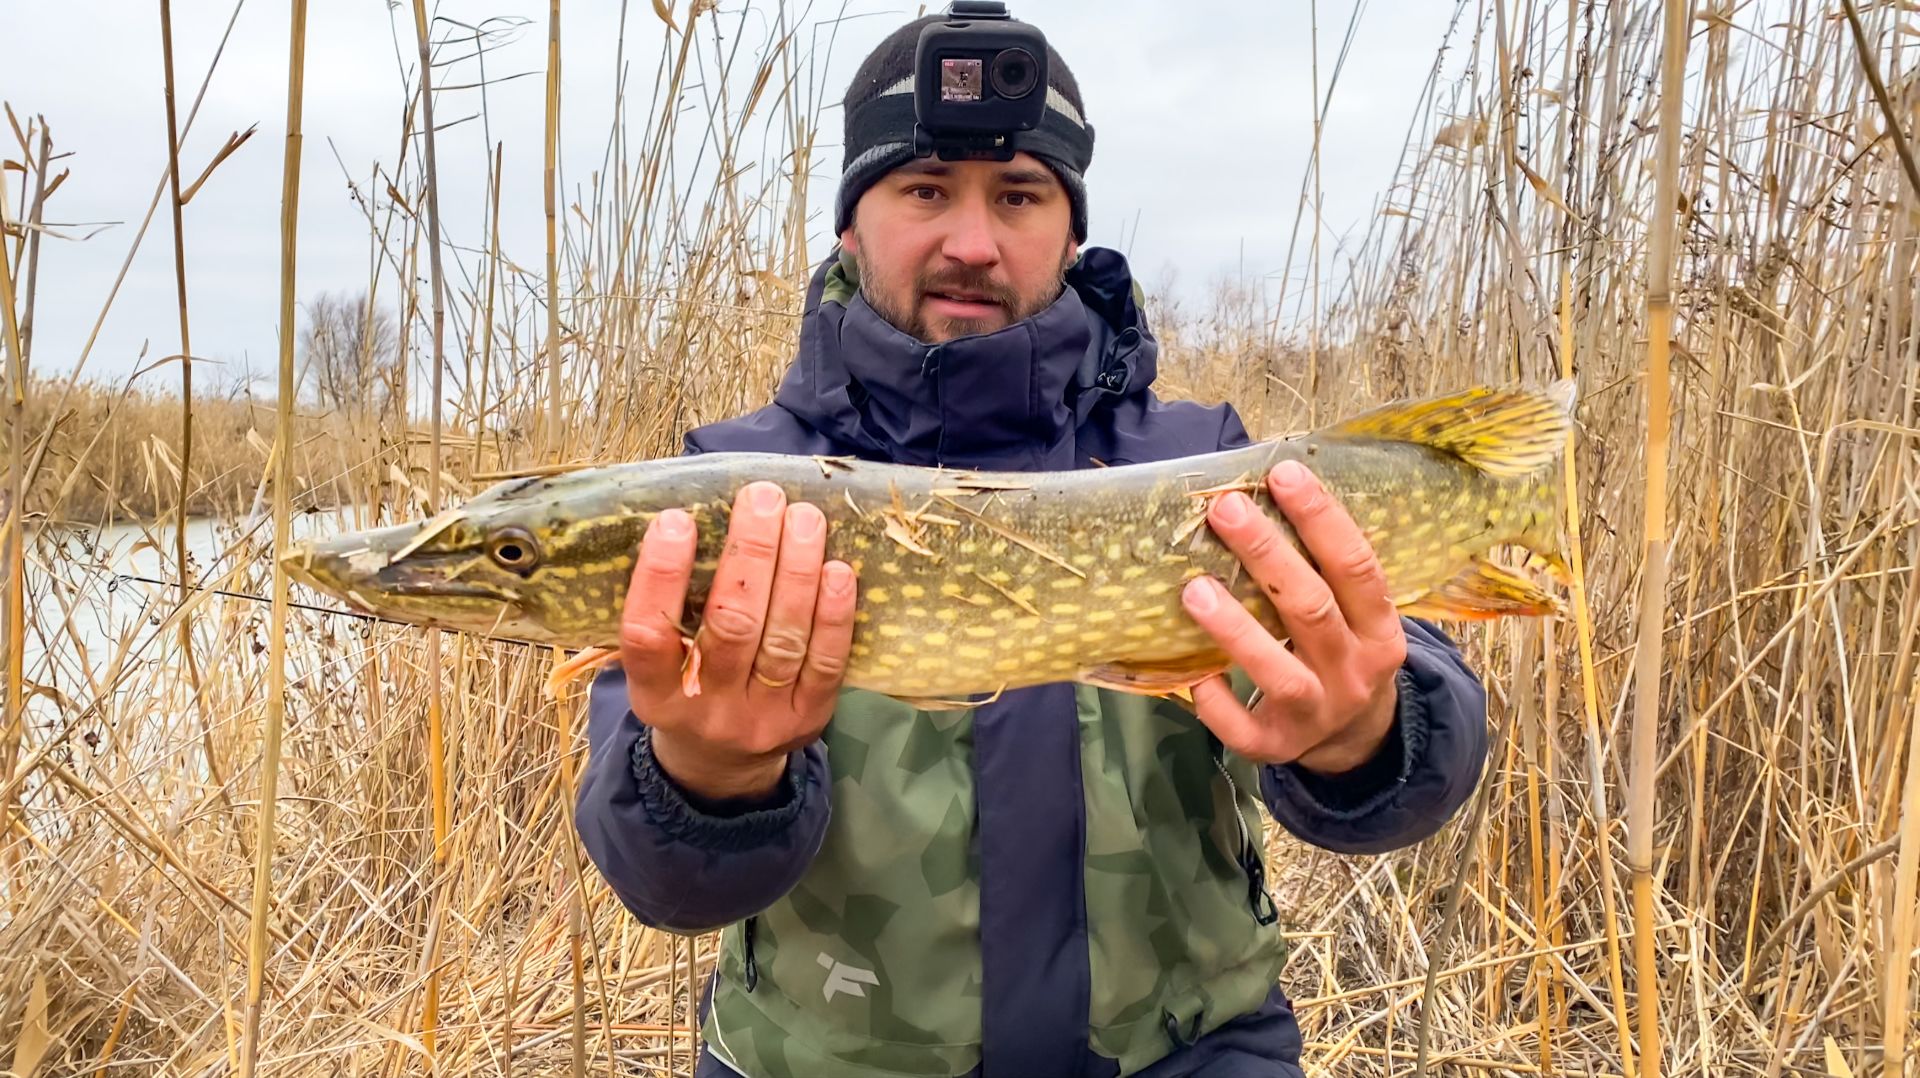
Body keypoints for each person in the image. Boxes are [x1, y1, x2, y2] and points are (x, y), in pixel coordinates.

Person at [575, 14, 1487, 1077]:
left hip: (1188, 1056)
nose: (972, 240)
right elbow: (663, 882)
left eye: (1017, 195)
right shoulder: (739, 489)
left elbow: (1422, 763)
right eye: (924, 188)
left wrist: (1368, 730)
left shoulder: (1206, 461)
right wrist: (704, 772)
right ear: (849, 230)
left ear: (1069, 230)